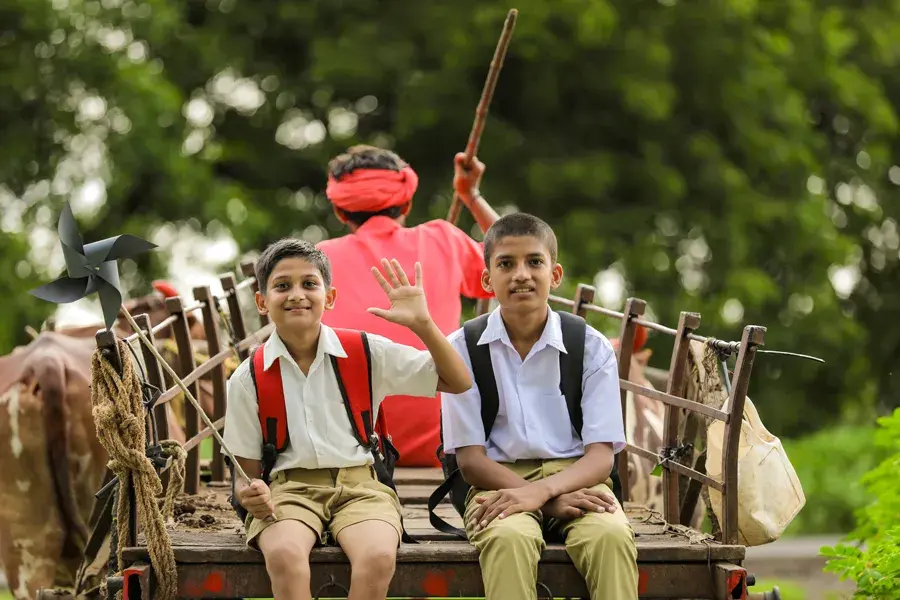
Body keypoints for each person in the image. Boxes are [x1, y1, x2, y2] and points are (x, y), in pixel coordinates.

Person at [222, 238, 472, 600]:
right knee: (284, 555)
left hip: (362, 488)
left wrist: (423, 324)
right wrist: (250, 497)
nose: (297, 295)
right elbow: (244, 479)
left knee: (377, 556)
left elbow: (457, 381)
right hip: (289, 491)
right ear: (262, 301)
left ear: (330, 296)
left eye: (309, 284)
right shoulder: (248, 378)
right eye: (281, 286)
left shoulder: (366, 351)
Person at [440, 213, 639, 600]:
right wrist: (546, 500)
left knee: (612, 537)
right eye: (506, 264)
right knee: (508, 540)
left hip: (579, 478)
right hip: (494, 481)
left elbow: (601, 456)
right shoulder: (461, 348)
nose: (521, 275)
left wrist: (545, 492)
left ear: (556, 273)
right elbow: (470, 461)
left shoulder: (591, 346)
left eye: (534, 261)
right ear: (487, 279)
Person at [318, 144, 500, 467]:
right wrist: (471, 196)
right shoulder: (443, 238)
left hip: (350, 449)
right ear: (407, 202)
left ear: (340, 211)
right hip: (445, 446)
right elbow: (513, 256)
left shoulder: (318, 260)